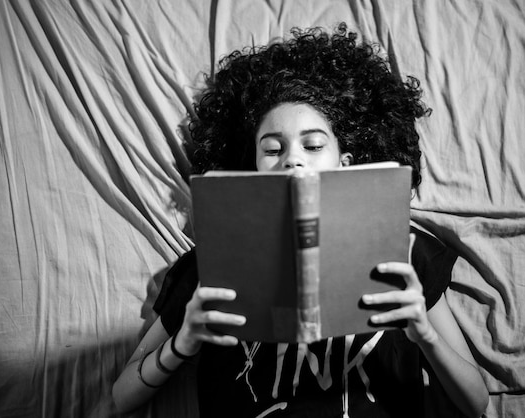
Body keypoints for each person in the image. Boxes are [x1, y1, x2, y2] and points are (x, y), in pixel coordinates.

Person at [113, 23, 489, 417]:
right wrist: (182, 344)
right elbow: (121, 398)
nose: (293, 158)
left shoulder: (401, 248)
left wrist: (425, 336)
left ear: (343, 163)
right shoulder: (213, 264)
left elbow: (476, 403)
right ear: (255, 168)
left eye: (312, 145)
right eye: (272, 149)